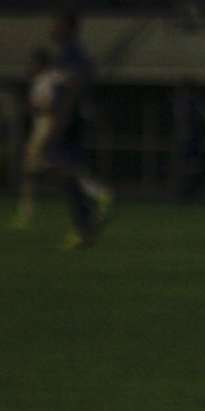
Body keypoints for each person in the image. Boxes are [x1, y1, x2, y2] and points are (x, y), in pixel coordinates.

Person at [44, 12, 113, 249]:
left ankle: (96, 196)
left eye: (57, 23)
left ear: (69, 27)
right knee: (65, 170)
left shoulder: (71, 54)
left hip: (68, 122)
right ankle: (84, 228)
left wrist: (58, 123)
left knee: (57, 163)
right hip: (71, 120)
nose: (52, 28)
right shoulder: (69, 54)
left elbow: (73, 91)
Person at [9, 48, 60, 230]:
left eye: (34, 62)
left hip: (46, 126)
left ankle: (25, 212)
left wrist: (32, 105)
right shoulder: (44, 79)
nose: (31, 66)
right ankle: (25, 211)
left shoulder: (47, 79)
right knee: (34, 168)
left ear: (41, 64)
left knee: (35, 169)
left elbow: (49, 104)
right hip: (43, 125)